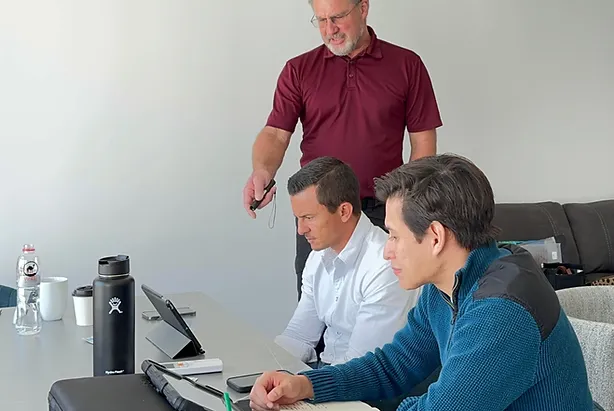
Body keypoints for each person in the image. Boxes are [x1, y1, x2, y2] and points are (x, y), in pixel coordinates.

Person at [249, 154, 598, 411]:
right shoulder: (446, 284)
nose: (387, 252)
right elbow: (394, 365)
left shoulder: (501, 312)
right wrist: (308, 385)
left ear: (434, 237)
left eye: (395, 236)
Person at [242, 0, 443, 298]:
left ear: (363, 8)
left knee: (387, 307)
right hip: (318, 210)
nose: (329, 30)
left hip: (383, 210)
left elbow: (423, 145)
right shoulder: (298, 70)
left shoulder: (407, 65)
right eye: (321, 20)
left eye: (337, 17)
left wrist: (408, 209)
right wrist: (262, 171)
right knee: (315, 310)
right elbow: (275, 133)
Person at [273, 156, 420, 368]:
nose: (301, 229)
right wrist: (265, 368)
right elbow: (299, 337)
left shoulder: (384, 264)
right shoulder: (318, 257)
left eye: (309, 217)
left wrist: (301, 387)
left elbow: (360, 368)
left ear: (344, 211)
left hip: (366, 385)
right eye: (298, 218)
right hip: (330, 370)